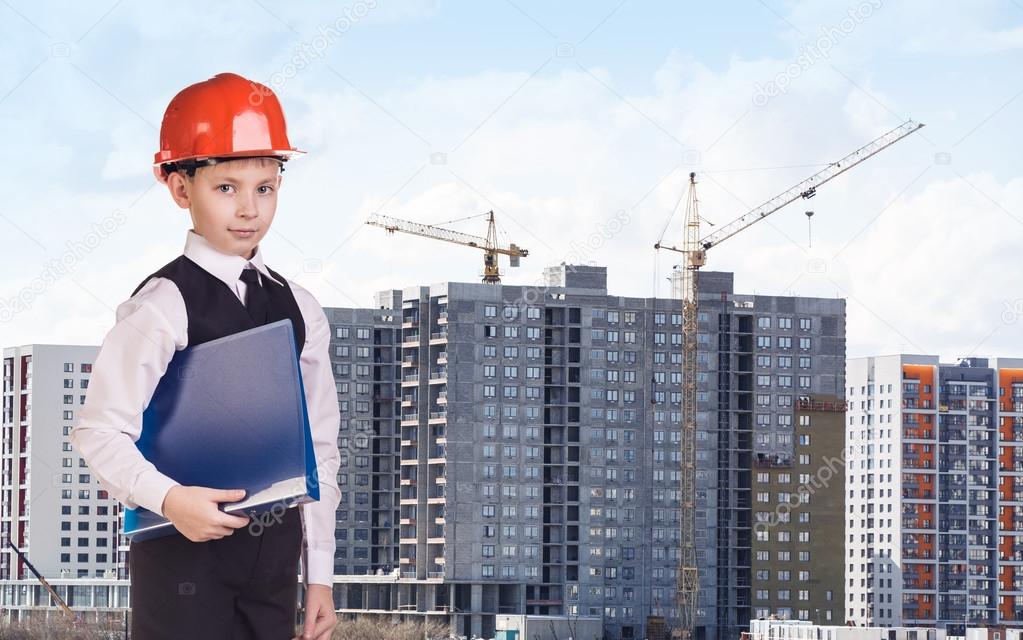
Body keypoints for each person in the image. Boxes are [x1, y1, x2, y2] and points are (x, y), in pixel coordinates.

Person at [71, 72, 340, 640]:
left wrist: (320, 575)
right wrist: (170, 500)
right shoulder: (162, 305)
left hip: (275, 562)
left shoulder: (302, 307)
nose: (249, 208)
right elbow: (99, 433)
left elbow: (319, 447)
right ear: (178, 188)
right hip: (181, 558)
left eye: (265, 187)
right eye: (226, 188)